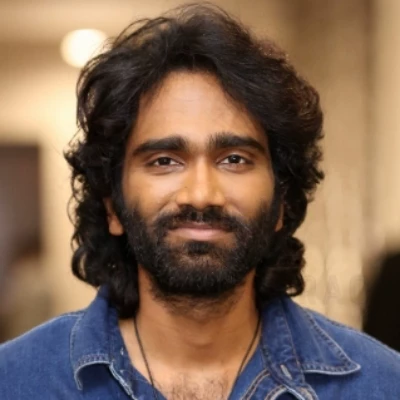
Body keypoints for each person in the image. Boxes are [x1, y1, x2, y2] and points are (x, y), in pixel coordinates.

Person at [1, 4, 399, 399]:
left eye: (234, 159)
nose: (201, 194)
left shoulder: (380, 385)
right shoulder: (16, 383)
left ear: (282, 201)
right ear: (112, 207)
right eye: (164, 161)